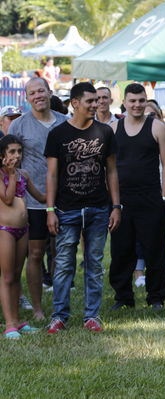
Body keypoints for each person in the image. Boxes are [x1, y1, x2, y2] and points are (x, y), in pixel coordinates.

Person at [45, 82, 121, 333]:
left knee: (95, 264)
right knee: (64, 263)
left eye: (97, 100)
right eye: (89, 101)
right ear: (75, 103)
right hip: (67, 210)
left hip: (99, 209)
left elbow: (111, 171)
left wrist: (116, 206)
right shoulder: (58, 134)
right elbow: (52, 175)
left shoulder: (105, 132)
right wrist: (50, 210)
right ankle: (59, 315)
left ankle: (92, 316)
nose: (95, 104)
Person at [8, 77, 69, 320]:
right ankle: (37, 309)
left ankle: (61, 306)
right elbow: (11, 163)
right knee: (34, 254)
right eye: (32, 93)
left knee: (63, 254)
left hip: (65, 199)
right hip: (33, 202)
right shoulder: (19, 126)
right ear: (27, 97)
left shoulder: (66, 122)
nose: (37, 96)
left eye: (41, 91)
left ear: (49, 92)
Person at [108, 83, 165, 311]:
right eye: (132, 101)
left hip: (150, 198)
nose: (137, 105)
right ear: (124, 102)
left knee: (154, 249)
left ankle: (156, 296)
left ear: (146, 101)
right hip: (122, 200)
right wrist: (113, 200)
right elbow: (110, 167)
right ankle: (123, 297)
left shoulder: (157, 127)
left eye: (141, 100)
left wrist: (164, 196)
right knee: (121, 250)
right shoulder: (113, 128)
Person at [0, 136, 45, 339]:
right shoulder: (2, 175)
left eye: (19, 151)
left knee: (17, 275)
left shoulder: (23, 174)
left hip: (23, 230)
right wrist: (10, 174)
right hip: (5, 230)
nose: (16, 155)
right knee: (7, 276)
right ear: (2, 155)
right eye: (12, 152)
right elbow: (8, 199)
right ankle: (9, 323)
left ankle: (18, 321)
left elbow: (41, 197)